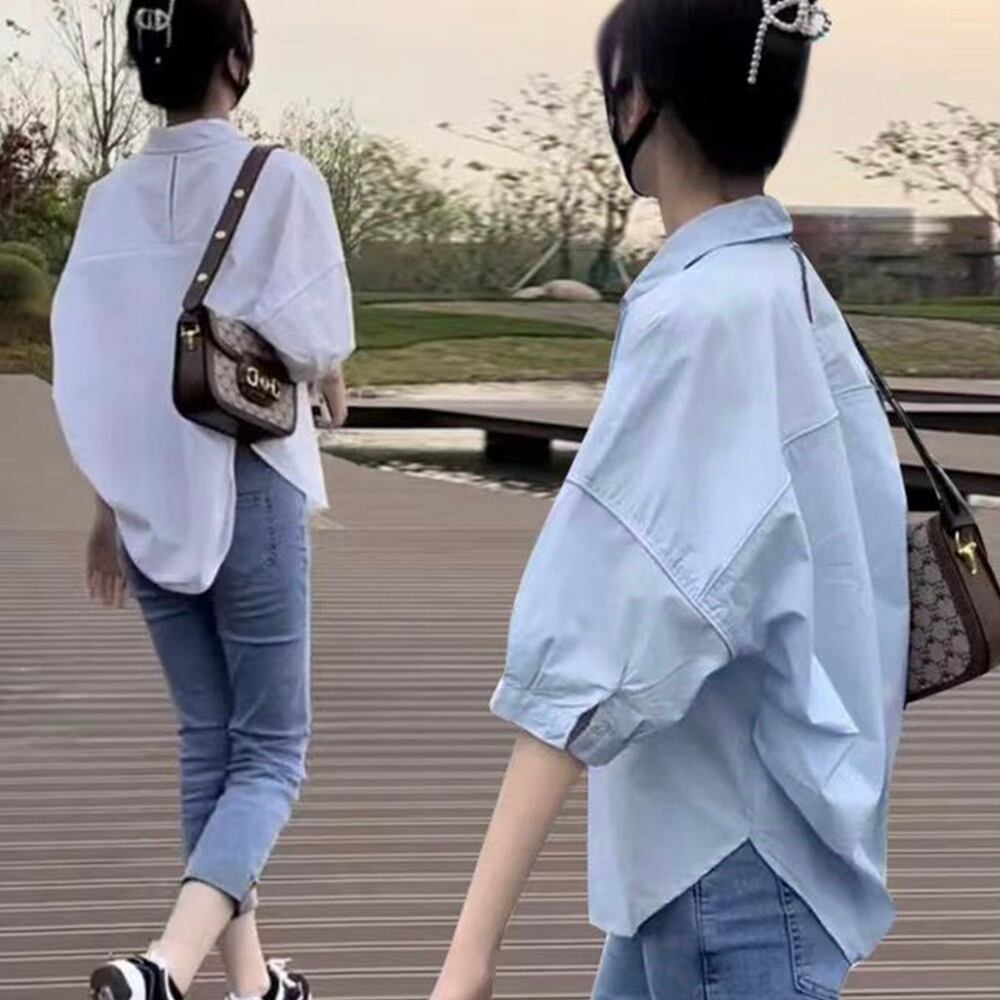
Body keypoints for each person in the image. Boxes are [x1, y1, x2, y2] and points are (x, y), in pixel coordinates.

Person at [430, 1, 909, 998]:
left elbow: (591, 633)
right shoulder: (782, 288)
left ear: (638, 100)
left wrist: (469, 955)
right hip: (725, 850)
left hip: (730, 862)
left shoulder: (705, 316)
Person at [51, 2, 354, 1000]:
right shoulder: (281, 178)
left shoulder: (105, 204)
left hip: (145, 503)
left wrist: (107, 510)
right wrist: (330, 376)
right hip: (248, 485)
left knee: (209, 747)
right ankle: (165, 968)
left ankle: (252, 980)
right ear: (236, 57)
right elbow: (318, 340)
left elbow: (94, 374)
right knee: (270, 754)